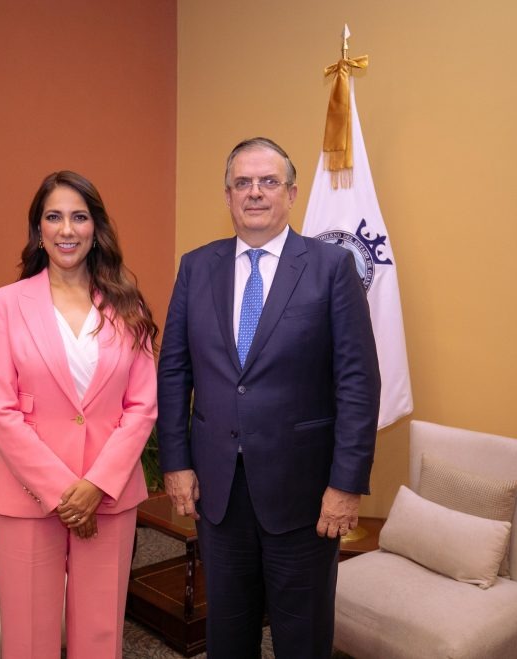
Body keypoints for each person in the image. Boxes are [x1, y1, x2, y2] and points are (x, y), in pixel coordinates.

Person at [156, 137, 380, 658]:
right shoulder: (196, 267)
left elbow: (358, 382)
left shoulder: (332, 267)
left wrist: (346, 484)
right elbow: (174, 371)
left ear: (291, 193)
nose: (254, 192)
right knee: (228, 634)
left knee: (302, 638)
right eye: (243, 182)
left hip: (305, 495)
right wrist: (177, 462)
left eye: (268, 182)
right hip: (218, 490)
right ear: (228, 195)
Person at [0, 170, 158, 658]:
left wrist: (96, 485)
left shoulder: (128, 305)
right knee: (28, 639)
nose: (66, 229)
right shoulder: (6, 304)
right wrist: (64, 493)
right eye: (53, 217)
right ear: (38, 229)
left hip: (108, 496)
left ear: (95, 228)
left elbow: (142, 406)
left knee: (101, 635)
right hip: (26, 497)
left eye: (79, 217)